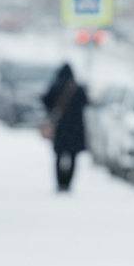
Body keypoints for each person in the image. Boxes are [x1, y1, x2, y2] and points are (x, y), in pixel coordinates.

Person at [41, 64, 88, 192]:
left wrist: (52, 111)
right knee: (72, 156)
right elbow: (86, 102)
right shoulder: (78, 88)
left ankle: (59, 182)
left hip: (60, 128)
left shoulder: (55, 86)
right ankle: (68, 184)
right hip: (75, 129)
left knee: (59, 156)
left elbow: (45, 100)